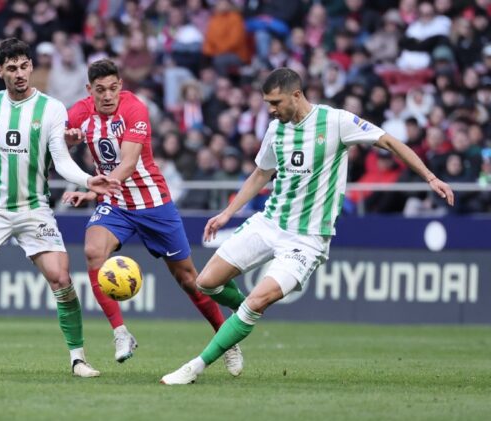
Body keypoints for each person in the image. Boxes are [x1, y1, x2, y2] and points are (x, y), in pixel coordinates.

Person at [160, 67, 455, 385]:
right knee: (206, 282)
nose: (271, 110)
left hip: (307, 239)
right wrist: (227, 213)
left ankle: (195, 367)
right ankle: (233, 334)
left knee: (256, 301)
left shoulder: (337, 121)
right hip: (270, 222)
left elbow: (390, 142)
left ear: (296, 95)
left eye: (276, 102)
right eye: (267, 103)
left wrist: (430, 177)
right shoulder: (276, 129)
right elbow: (261, 174)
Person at [0, 38, 120, 379]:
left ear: (32, 67)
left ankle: (78, 359)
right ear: (0, 71)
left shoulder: (52, 109)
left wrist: (89, 181)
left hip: (34, 208)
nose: (19, 73)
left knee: (60, 276)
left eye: (24, 66)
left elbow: (61, 161)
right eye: (11, 68)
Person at [61, 59, 243, 376]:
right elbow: (54, 139)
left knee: (189, 280)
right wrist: (67, 138)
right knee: (92, 251)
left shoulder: (134, 109)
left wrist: (92, 190)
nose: (107, 95)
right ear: (90, 90)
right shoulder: (79, 112)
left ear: (121, 85)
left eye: (113, 88)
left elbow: (129, 163)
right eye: (100, 90)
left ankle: (225, 338)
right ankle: (121, 334)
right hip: (116, 206)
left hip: (153, 203)